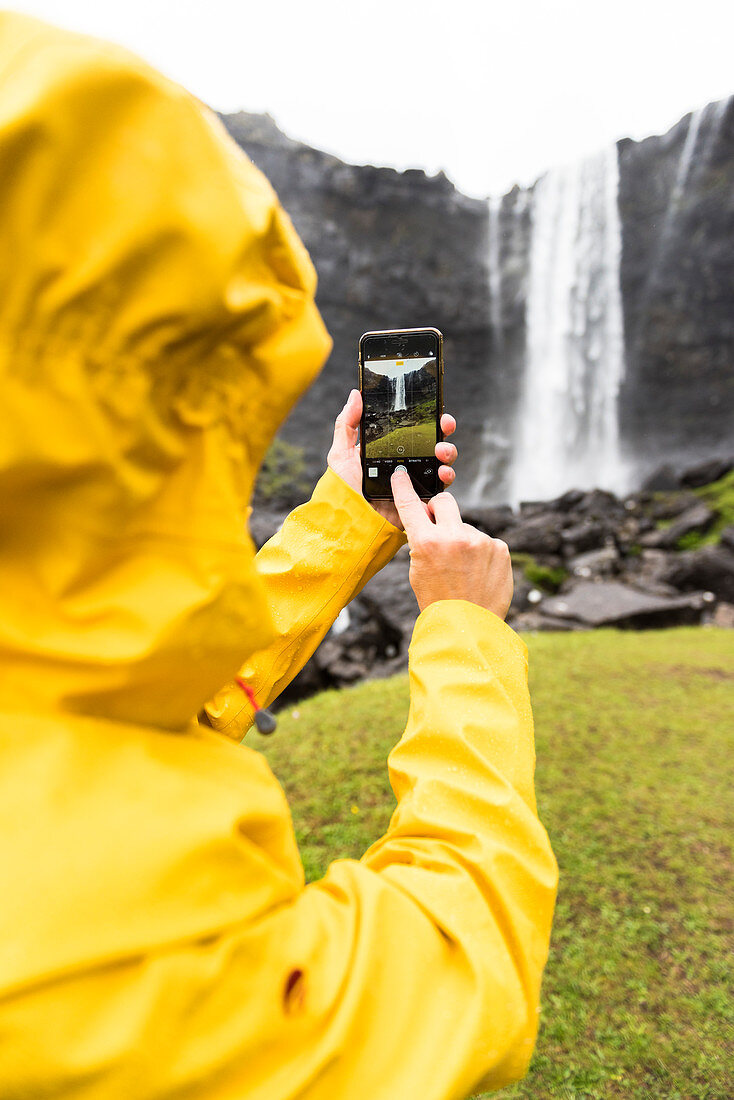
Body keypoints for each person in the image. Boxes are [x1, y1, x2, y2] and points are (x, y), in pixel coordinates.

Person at [0, 12, 558, 1099]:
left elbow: (96, 671)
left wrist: (346, 514)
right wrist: (465, 629)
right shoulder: (107, 951)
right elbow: (454, 962)